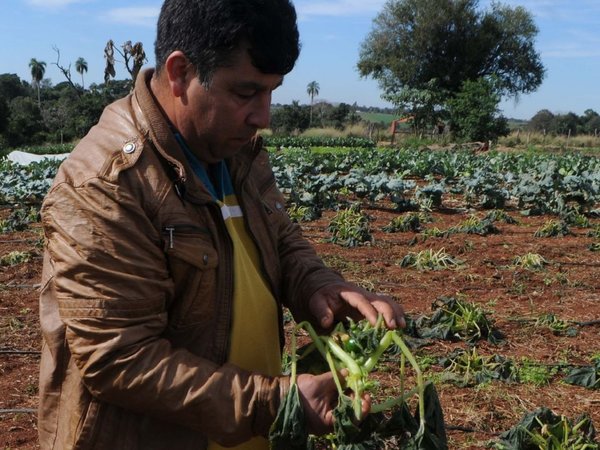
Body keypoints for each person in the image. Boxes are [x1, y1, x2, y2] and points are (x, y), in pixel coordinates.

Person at [37, 0, 405, 449]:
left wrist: (317, 285)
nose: (263, 117)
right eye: (246, 93)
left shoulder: (235, 150)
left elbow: (280, 238)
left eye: (272, 91)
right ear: (179, 74)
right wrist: (272, 405)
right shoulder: (105, 183)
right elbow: (119, 359)